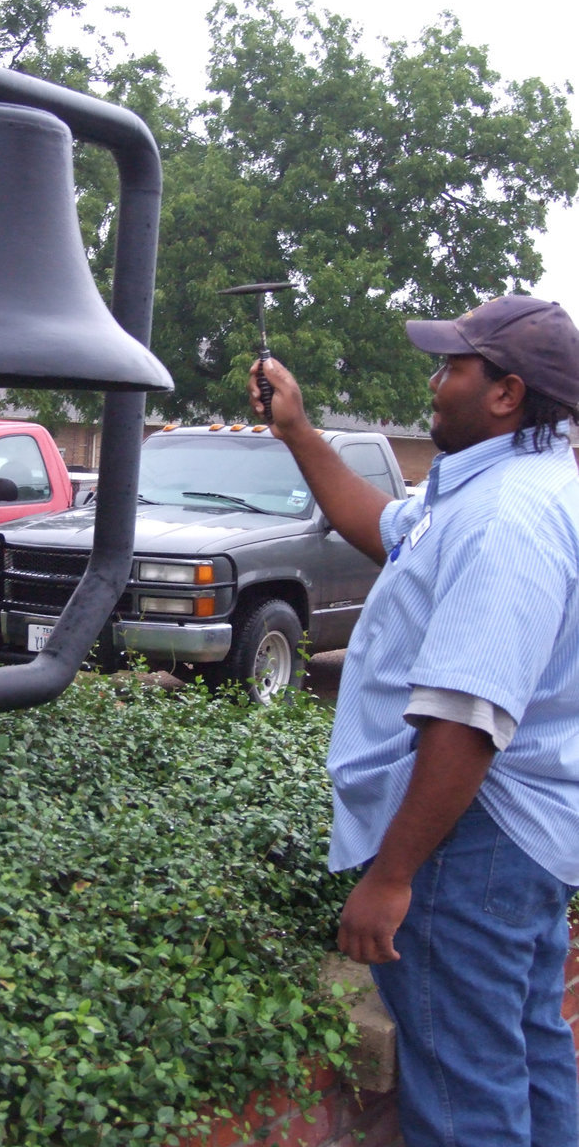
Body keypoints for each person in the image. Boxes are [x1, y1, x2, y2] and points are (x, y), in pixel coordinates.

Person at [248, 294, 579, 1147]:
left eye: (451, 367)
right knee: (528, 1052)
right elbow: (384, 528)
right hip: (520, 841)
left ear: (505, 393)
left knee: (468, 1100)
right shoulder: (510, 486)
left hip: (471, 843)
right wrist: (298, 431)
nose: (433, 383)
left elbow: (468, 718)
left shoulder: (507, 521)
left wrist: (392, 877)